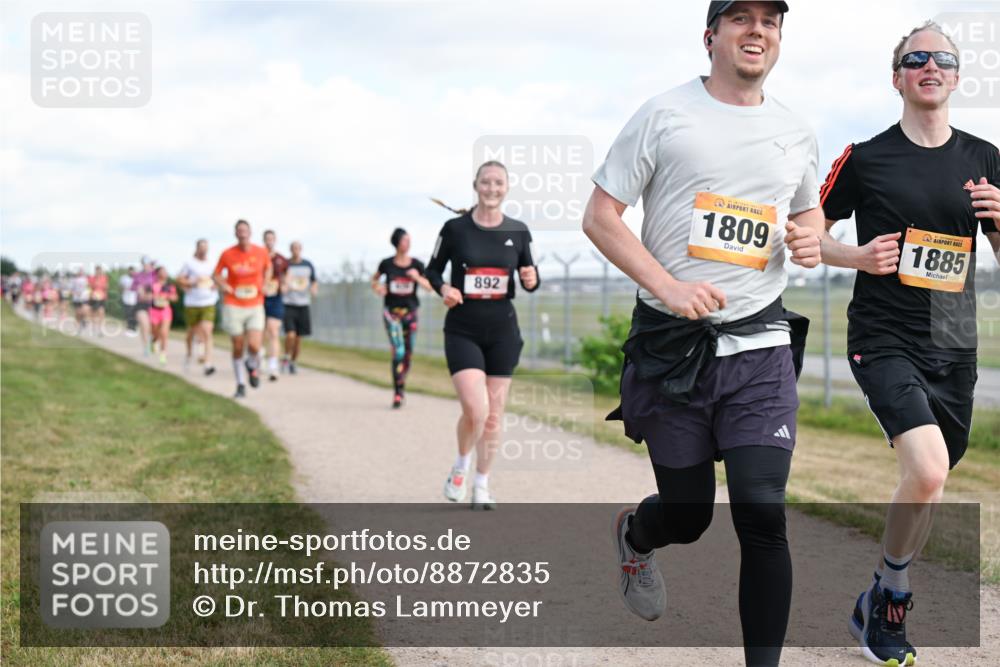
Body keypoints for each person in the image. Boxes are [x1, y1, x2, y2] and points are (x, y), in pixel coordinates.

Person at [583, 3, 825, 665]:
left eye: (770, 20)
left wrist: (811, 240)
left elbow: (810, 218)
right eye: (740, 17)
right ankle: (636, 536)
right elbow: (600, 217)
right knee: (690, 515)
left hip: (760, 345)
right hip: (674, 348)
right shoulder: (665, 114)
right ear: (711, 35)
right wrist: (670, 288)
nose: (757, 30)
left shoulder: (796, 131)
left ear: (779, 38)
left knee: (761, 509)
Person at [819, 21, 1000, 667]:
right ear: (897, 76)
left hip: (954, 337)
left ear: (955, 75)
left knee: (932, 479)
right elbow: (809, 235)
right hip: (884, 333)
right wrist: (858, 255)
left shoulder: (984, 157)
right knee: (926, 469)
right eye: (915, 57)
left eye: (942, 58)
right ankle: (893, 598)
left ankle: (878, 591)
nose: (930, 65)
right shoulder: (865, 157)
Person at [425, 161, 540, 510]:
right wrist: (443, 286)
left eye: (499, 183)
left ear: (507, 188)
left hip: (503, 331)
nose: (492, 188)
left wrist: (533, 280)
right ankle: (461, 465)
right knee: (476, 408)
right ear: (475, 185)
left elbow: (528, 276)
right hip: (463, 329)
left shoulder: (519, 231)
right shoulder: (454, 229)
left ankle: (482, 483)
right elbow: (431, 270)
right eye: (486, 182)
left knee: (494, 414)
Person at [371, 228, 432, 408]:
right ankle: (398, 393)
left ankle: (401, 386)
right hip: (392, 313)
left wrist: (417, 278)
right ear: (397, 243)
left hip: (411, 313)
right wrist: (378, 288)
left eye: (409, 240)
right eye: (405, 240)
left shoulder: (417, 265)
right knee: (398, 351)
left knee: (407, 354)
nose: (408, 243)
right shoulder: (386, 264)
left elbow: (430, 286)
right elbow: (374, 280)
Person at [214, 220, 272, 398]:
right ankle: (240, 384)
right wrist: (223, 285)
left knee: (255, 345)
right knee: (238, 345)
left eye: (245, 230)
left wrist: (266, 283)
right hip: (234, 303)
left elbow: (268, 268)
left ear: (250, 232)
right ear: (235, 233)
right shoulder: (227, 254)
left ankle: (252, 365)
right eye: (239, 230)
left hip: (255, 303)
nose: (242, 233)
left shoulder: (261, 252)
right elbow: (216, 274)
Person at [177, 239, 219, 376]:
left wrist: (216, 285)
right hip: (192, 302)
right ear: (197, 248)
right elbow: (180, 279)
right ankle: (189, 355)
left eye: (206, 247)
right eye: (201, 247)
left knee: (207, 331)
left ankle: (208, 364)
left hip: (208, 301)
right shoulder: (189, 263)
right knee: (191, 332)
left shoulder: (212, 264)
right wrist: (192, 282)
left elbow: (219, 279)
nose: (204, 250)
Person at [282, 241, 318, 375]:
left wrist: (314, 289)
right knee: (290, 334)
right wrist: (283, 286)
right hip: (289, 303)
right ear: (290, 250)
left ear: (301, 249)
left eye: (298, 248)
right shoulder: (286, 265)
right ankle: (286, 356)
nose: (295, 250)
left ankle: (293, 361)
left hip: (303, 304)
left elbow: (314, 281)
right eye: (293, 248)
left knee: (298, 338)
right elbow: (281, 280)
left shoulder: (308, 265)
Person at [262, 229, 289, 382]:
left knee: (273, 330)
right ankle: (259, 356)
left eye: (272, 238)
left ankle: (273, 366)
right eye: (267, 239)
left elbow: (286, 275)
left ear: (275, 240)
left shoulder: (281, 259)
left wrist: (285, 285)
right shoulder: (258, 256)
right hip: (260, 298)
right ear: (264, 240)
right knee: (260, 332)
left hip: (276, 297)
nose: (269, 241)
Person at [149, 266, 178, 365]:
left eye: (165, 271)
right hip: (154, 310)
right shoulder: (153, 285)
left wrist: (168, 296)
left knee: (164, 333)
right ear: (157, 274)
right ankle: (154, 341)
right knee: (155, 331)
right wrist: (154, 296)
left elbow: (175, 297)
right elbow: (146, 295)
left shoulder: (170, 286)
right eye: (162, 271)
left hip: (165, 310)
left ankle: (163, 355)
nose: (164, 273)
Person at [132, 257, 158, 355]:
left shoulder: (155, 275)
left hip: (154, 304)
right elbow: (132, 287)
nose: (147, 266)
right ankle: (145, 347)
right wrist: (138, 289)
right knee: (144, 325)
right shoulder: (138, 276)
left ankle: (152, 340)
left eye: (149, 264)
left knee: (154, 327)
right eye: (145, 264)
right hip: (141, 304)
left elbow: (160, 286)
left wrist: (152, 294)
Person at [88, 265, 109, 336]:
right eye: (97, 270)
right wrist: (91, 295)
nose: (98, 272)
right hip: (94, 298)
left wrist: (105, 294)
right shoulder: (92, 278)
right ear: (95, 271)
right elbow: (89, 288)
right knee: (94, 314)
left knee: (101, 312)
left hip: (102, 298)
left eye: (99, 270)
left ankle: (100, 329)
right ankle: (93, 328)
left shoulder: (104, 278)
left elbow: (106, 287)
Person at [70, 268, 91, 333]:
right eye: (79, 272)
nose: (81, 273)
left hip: (84, 297)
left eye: (82, 272)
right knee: (78, 313)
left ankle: (84, 320)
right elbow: (71, 289)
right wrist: (75, 293)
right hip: (76, 298)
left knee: (85, 310)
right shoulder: (74, 280)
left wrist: (88, 294)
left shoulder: (86, 279)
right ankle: (79, 326)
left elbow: (89, 288)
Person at [120, 267, 138, 336]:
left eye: (133, 271)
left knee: (134, 315)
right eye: (130, 271)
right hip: (126, 299)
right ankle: (129, 328)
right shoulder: (124, 278)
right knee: (128, 314)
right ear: (128, 271)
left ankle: (133, 328)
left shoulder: (137, 278)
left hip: (135, 299)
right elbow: (120, 287)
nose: (131, 272)